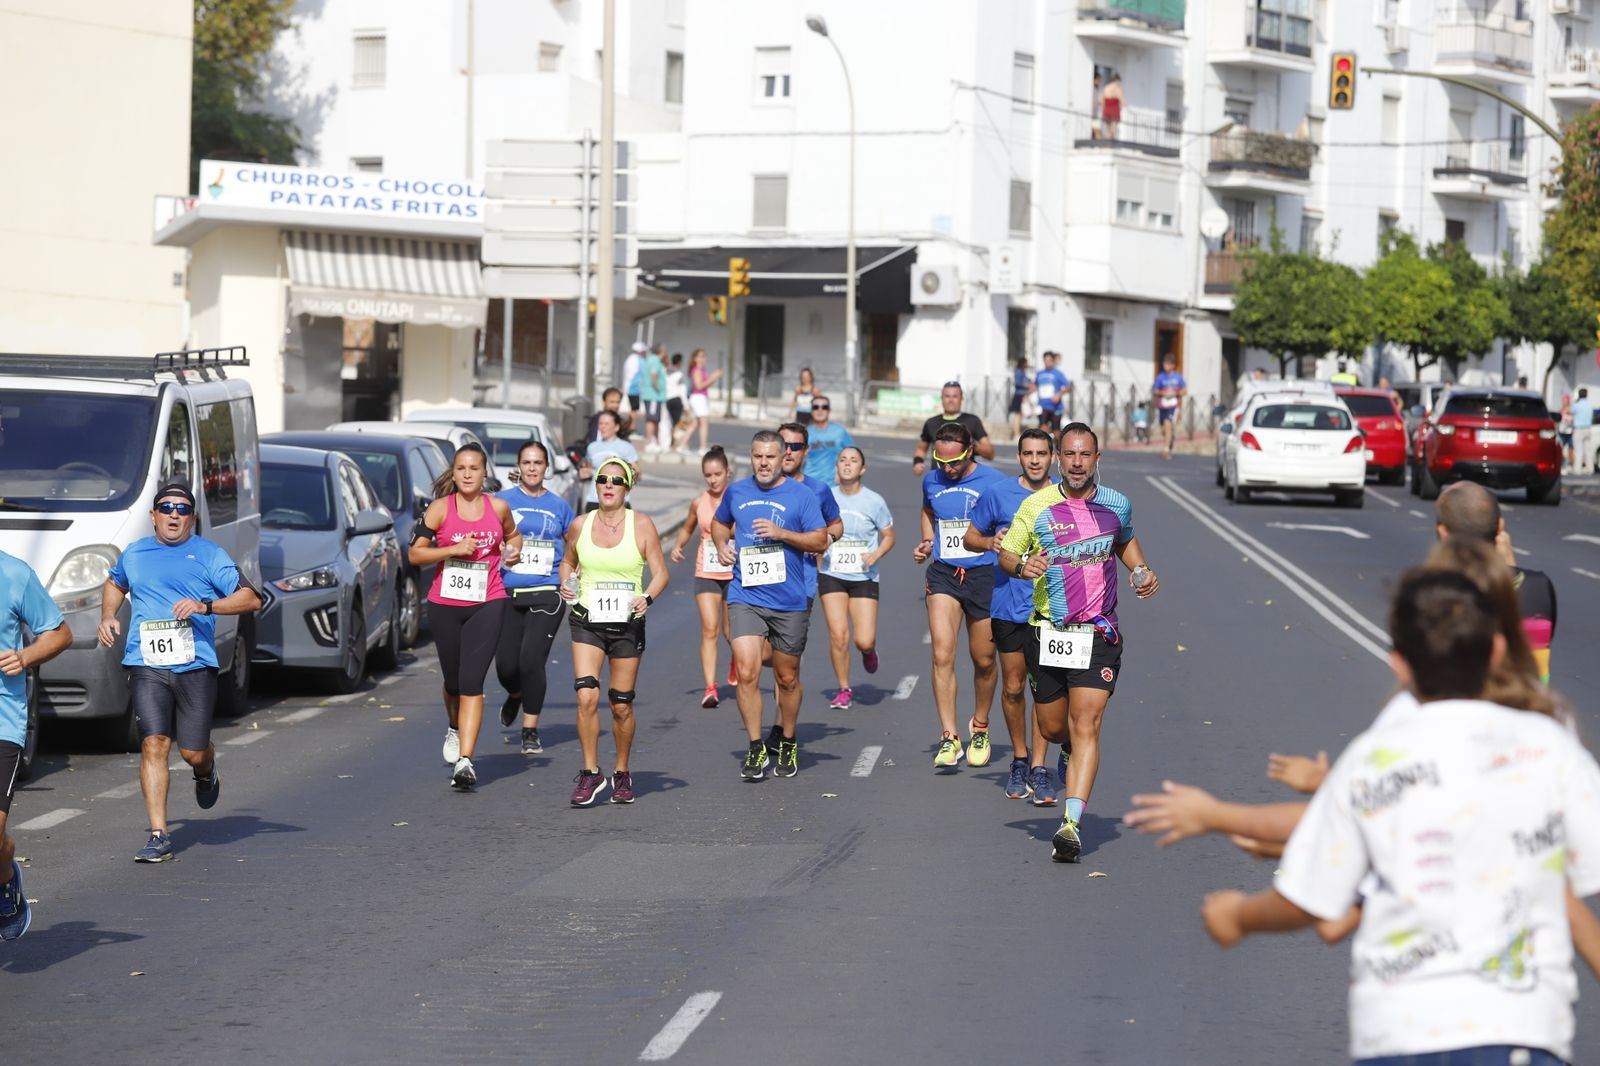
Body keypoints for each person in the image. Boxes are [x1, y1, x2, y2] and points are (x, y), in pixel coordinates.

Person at [1199, 568, 1600, 1066]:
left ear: (1400, 666)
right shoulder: (1549, 746)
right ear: (1497, 652)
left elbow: (1316, 904)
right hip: (1525, 1030)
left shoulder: (1374, 757)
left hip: (1402, 1033)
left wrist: (1238, 916)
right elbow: (1568, 881)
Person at [997, 423, 1158, 861]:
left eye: (1085, 455)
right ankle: (1062, 749)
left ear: (1097, 458)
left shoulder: (1116, 504)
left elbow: (1124, 541)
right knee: (1053, 728)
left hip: (1098, 632)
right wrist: (1022, 566)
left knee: (1085, 723)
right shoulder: (1037, 507)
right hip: (1048, 629)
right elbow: (1008, 552)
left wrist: (1139, 570)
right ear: (1058, 458)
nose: (1077, 462)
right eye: (1069, 454)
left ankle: (1070, 824)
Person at [97, 484, 263, 862]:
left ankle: (205, 771)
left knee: (191, 751)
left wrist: (206, 606)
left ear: (192, 517)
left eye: (183, 509)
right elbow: (114, 581)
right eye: (166, 508)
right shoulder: (136, 553)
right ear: (153, 515)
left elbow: (251, 598)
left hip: (195, 664)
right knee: (154, 743)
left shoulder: (208, 555)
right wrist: (107, 615)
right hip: (147, 663)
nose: (174, 514)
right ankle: (159, 834)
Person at [710, 431, 829, 781]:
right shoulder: (737, 491)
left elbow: (820, 539)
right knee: (746, 671)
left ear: (782, 459)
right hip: (745, 594)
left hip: (789, 599)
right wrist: (721, 545)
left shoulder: (801, 495)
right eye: (757, 456)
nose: (763, 463)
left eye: (770, 457)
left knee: (787, 677)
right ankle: (755, 746)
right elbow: (719, 523)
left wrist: (782, 534)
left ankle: (788, 740)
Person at [557, 458, 669, 806]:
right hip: (586, 618)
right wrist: (566, 584)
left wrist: (646, 597)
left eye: (616, 481)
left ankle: (621, 772)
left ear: (627, 488)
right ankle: (591, 774)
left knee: (621, 705)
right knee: (586, 695)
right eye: (603, 479)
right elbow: (567, 561)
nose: (608, 485)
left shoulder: (642, 525)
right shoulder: (580, 524)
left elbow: (661, 573)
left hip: (626, 623)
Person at [409, 444, 519, 791]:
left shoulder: (498, 507)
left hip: (488, 600)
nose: (468, 474)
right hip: (445, 603)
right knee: (453, 682)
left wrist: (513, 552)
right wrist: (452, 549)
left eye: (474, 468)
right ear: (453, 474)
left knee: (473, 682)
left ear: (484, 473)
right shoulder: (440, 509)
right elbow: (415, 554)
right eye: (461, 468)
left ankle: (466, 761)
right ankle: (454, 727)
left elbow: (513, 537)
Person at [964, 429, 1057, 803]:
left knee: (1046, 691)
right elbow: (972, 537)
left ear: (1052, 457)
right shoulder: (998, 494)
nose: (1035, 460)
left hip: (1052, 609)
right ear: (1019, 457)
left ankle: (1041, 765)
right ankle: (1020, 760)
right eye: (1028, 453)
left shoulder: (1063, 497)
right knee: (1014, 687)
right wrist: (989, 542)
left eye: (1041, 453)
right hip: (1008, 605)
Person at [914, 422, 1008, 770]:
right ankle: (949, 736)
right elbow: (927, 510)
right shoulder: (932, 479)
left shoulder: (994, 481)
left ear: (970, 452)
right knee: (942, 654)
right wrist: (928, 539)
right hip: (944, 574)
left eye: (954, 462)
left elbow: (1012, 518)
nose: (947, 469)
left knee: (984, 659)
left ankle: (980, 725)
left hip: (986, 575)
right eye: (941, 462)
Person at [0, 552, 71, 938]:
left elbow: (60, 633)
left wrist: (24, 656)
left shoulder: (13, 573)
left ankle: (5, 877)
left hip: (1, 720)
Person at [495, 440, 576, 756]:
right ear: (519, 467)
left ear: (546, 468)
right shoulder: (502, 501)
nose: (532, 468)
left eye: (538, 463)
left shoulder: (559, 506)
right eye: (526, 463)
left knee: (531, 659)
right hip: (506, 590)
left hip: (546, 591)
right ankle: (516, 694)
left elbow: (574, 544)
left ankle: (530, 730)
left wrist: (572, 577)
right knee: (505, 666)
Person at [1435, 481, 1557, 681]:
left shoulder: (1429, 593)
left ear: (1443, 532)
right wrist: (1509, 568)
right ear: (1500, 526)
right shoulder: (1538, 587)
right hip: (1529, 707)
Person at [771, 422, 844, 750]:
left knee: (785, 666)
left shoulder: (817, 490)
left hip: (799, 586)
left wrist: (822, 539)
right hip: (757, 585)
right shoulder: (756, 487)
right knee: (757, 656)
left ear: (806, 451)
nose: (788, 451)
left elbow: (836, 525)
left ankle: (781, 727)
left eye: (795, 446)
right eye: (783, 444)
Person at [819, 447, 895, 709]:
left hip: (863, 574)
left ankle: (868, 651)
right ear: (836, 468)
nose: (847, 465)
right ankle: (844, 688)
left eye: (853, 461)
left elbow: (889, 536)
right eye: (842, 461)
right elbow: (814, 529)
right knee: (838, 635)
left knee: (863, 638)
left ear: (862, 469)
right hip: (832, 572)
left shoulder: (874, 501)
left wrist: (876, 554)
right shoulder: (825, 496)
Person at [669, 446, 735, 708]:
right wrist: (678, 545)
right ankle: (710, 688)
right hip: (706, 570)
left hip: (734, 571)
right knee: (710, 629)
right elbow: (688, 528)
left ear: (727, 472)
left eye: (718, 474)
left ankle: (736, 662)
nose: (713, 480)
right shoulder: (699, 502)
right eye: (708, 475)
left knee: (733, 632)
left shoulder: (739, 498)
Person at [911, 381, 996, 474]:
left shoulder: (972, 421)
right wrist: (917, 463)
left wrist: (971, 443)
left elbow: (990, 453)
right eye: (947, 396)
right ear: (941, 398)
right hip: (939, 480)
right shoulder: (931, 423)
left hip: (965, 480)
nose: (951, 400)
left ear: (961, 398)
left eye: (955, 396)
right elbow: (921, 449)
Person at [581, 410, 641, 512]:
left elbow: (637, 474)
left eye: (606, 424)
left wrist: (617, 465)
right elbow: (588, 469)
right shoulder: (592, 447)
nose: (602, 427)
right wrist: (584, 473)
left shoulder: (626, 447)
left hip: (620, 500)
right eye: (600, 423)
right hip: (594, 499)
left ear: (616, 427)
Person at [804, 394, 854, 486]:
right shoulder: (806, 433)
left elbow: (853, 455)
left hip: (834, 486)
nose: (820, 410)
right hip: (810, 485)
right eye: (816, 407)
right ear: (811, 411)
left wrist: (843, 474)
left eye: (824, 407)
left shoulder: (839, 431)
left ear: (829, 410)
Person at [678, 348, 722, 453]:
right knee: (704, 423)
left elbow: (705, 385)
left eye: (704, 356)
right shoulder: (697, 370)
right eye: (700, 356)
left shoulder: (701, 370)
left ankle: (682, 445)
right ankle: (702, 447)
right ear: (695, 358)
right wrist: (713, 377)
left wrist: (713, 378)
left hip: (700, 397)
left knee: (695, 423)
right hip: (698, 397)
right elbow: (699, 385)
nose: (703, 358)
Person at [1152, 354, 1187, 460]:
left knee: (1168, 425)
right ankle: (1170, 439)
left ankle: (1166, 449)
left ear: (1172, 365)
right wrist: (1163, 393)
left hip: (1173, 406)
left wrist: (1175, 392)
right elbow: (1154, 390)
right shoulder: (1160, 377)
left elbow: (1184, 390)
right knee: (1163, 429)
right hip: (1163, 405)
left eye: (1167, 364)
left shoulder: (1178, 377)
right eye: (1164, 363)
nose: (1165, 366)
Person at [639, 343, 670, 453]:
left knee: (655, 419)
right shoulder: (654, 361)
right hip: (653, 395)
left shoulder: (654, 360)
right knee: (651, 419)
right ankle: (650, 441)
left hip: (655, 396)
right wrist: (658, 388)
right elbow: (653, 375)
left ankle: (655, 441)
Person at [1034, 351, 1071, 432]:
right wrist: (1027, 395)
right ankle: (1047, 441)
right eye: (1045, 360)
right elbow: (1035, 386)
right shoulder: (1039, 374)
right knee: (1043, 428)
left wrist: (1059, 394)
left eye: (1049, 360)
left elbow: (1069, 387)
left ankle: (1057, 442)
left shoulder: (1058, 374)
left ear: (1053, 361)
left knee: (1056, 431)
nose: (1047, 362)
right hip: (1043, 407)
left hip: (1056, 407)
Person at [665, 352, 688, 452]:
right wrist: (686, 406)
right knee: (678, 424)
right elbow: (682, 391)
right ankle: (677, 444)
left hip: (666, 400)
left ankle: (670, 442)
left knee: (669, 423)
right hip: (676, 399)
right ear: (679, 362)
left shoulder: (666, 372)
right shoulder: (679, 374)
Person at [1007, 356, 1032, 440]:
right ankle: (1016, 434)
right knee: (1017, 415)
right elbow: (1018, 383)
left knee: (1020, 415)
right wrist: (1028, 385)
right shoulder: (1019, 371)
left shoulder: (1022, 372)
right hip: (1019, 395)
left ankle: (1017, 433)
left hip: (1022, 394)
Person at [1573, 386, 1594, 475]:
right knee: (1588, 450)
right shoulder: (1589, 405)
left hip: (1579, 429)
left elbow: (1572, 413)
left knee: (1579, 450)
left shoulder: (1577, 405)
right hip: (1588, 429)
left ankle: (1578, 470)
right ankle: (1590, 469)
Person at [623, 341, 645, 419]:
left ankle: (632, 426)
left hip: (630, 388)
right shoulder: (639, 360)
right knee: (634, 410)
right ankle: (633, 427)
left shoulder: (629, 359)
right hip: (634, 388)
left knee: (633, 409)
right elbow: (644, 374)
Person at [1100, 72, 1124, 140]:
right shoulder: (1117, 88)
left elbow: (1102, 100)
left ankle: (1106, 144)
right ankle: (1109, 145)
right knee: (1113, 131)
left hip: (1107, 109)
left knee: (1108, 130)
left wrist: (1103, 110)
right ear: (1117, 80)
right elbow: (1122, 99)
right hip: (1114, 110)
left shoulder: (1106, 87)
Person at [1558, 393, 1574, 474]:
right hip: (1562, 432)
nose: (1564, 402)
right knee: (1560, 450)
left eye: (1566, 401)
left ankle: (1570, 465)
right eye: (1563, 401)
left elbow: (1574, 419)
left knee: (1571, 450)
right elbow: (1558, 420)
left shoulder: (1571, 409)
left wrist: (1570, 413)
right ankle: (1561, 465)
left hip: (1570, 433)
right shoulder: (1561, 410)